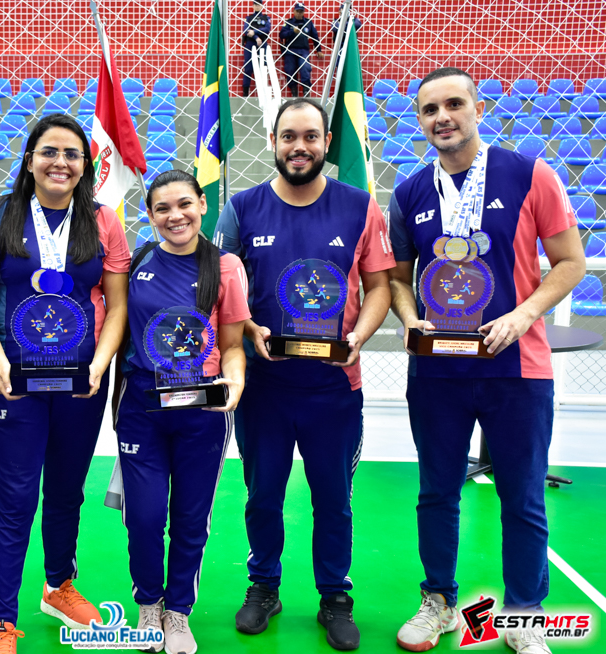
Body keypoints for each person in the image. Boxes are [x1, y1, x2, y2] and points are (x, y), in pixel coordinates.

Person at [388, 67, 585, 654]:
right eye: (430, 109)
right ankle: (439, 603)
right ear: (419, 120)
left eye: (454, 104)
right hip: (438, 371)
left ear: (478, 109)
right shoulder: (409, 192)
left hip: (516, 368)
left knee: (522, 497)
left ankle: (525, 616)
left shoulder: (530, 174)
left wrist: (524, 314)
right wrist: (409, 318)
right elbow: (397, 279)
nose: (442, 117)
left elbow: (570, 262)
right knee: (436, 493)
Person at [213, 98, 395, 651]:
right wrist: (249, 329)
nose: (300, 147)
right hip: (264, 387)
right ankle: (264, 586)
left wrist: (358, 337)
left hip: (333, 388)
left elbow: (380, 287)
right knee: (263, 495)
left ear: (325, 142)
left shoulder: (360, 206)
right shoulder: (241, 208)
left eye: (311, 136)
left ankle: (335, 596)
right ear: (272, 141)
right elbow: (222, 290)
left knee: (333, 500)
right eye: (289, 136)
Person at [0, 113, 130, 654]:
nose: (61, 162)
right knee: (13, 496)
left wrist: (100, 364)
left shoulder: (102, 221)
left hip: (82, 381)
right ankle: (2, 618)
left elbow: (117, 305)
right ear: (30, 159)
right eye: (50, 152)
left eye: (72, 154)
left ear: (86, 164)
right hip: (15, 380)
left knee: (65, 490)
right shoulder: (0, 214)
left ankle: (58, 586)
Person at [117, 170, 249, 654]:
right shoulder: (136, 262)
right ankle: (148, 604)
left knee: (192, 517)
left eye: (184, 204)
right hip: (142, 405)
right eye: (163, 208)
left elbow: (231, 345)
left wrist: (235, 378)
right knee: (144, 516)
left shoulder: (225, 267)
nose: (175, 216)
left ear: (202, 205)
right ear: (150, 216)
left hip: (202, 409)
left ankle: (177, 612)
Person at [279, 2, 322, 97]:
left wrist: (319, 50)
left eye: (301, 11)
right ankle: (294, 92)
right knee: (290, 70)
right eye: (297, 11)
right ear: (294, 11)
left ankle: (306, 91)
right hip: (290, 50)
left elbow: (315, 37)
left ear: (304, 12)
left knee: (305, 68)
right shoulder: (288, 22)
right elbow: (281, 35)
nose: (299, 13)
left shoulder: (308, 22)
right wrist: (292, 31)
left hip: (303, 51)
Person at [241, 0, 272, 98]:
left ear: (261, 6)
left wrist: (254, 31)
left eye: (259, 4)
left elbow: (267, 29)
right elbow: (246, 30)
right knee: (248, 68)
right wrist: (256, 37)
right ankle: (245, 93)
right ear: (253, 6)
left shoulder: (266, 18)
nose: (257, 6)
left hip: (262, 44)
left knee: (263, 67)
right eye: (255, 4)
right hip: (250, 44)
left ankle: (263, 93)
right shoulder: (249, 18)